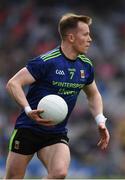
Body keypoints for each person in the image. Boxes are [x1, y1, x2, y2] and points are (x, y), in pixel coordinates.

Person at [5, 13, 110, 179]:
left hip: (56, 132)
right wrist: (27, 109)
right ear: (71, 37)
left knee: (59, 173)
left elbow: (94, 94)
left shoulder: (86, 65)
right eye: (85, 34)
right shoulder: (47, 62)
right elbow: (13, 83)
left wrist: (100, 120)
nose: (90, 39)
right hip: (28, 129)